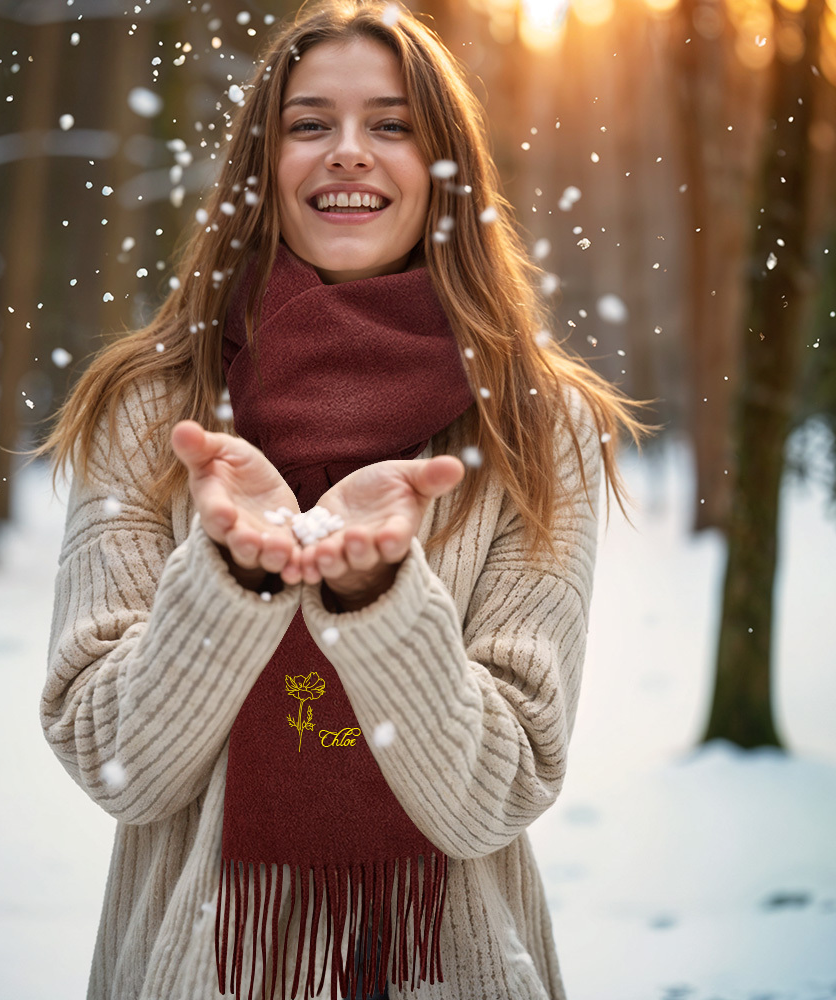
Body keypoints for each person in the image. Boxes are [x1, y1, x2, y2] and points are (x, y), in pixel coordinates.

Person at [40, 2, 646, 998]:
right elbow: (116, 765)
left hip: (450, 966)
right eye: (310, 123)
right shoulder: (151, 410)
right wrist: (229, 583)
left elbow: (500, 789)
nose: (349, 152)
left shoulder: (539, 426)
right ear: (261, 165)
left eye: (392, 124)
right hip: (203, 967)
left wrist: (380, 607)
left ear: (445, 169)